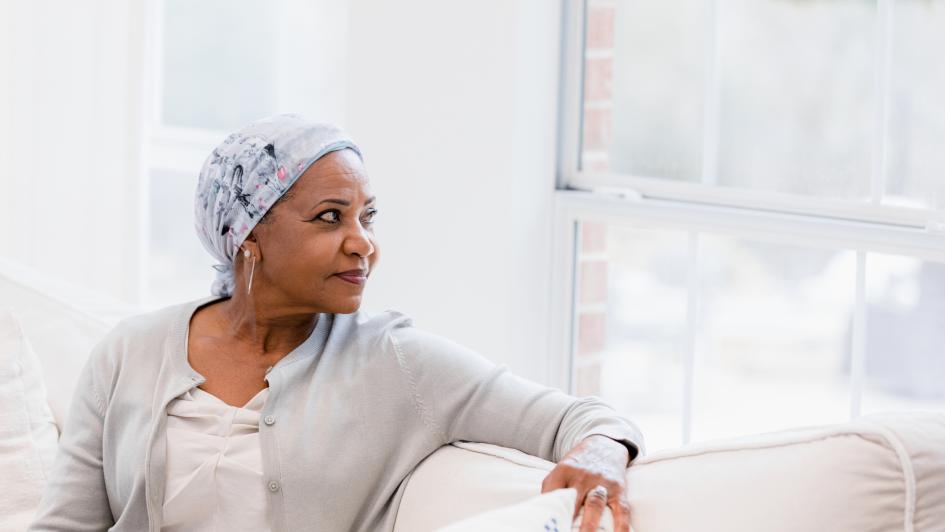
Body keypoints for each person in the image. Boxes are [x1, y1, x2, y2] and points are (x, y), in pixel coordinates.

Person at [28, 114, 645, 532]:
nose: (363, 245)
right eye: (330, 217)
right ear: (249, 236)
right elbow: (66, 524)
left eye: (367, 218)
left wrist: (602, 451)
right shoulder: (130, 351)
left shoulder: (396, 362)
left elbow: (581, 419)